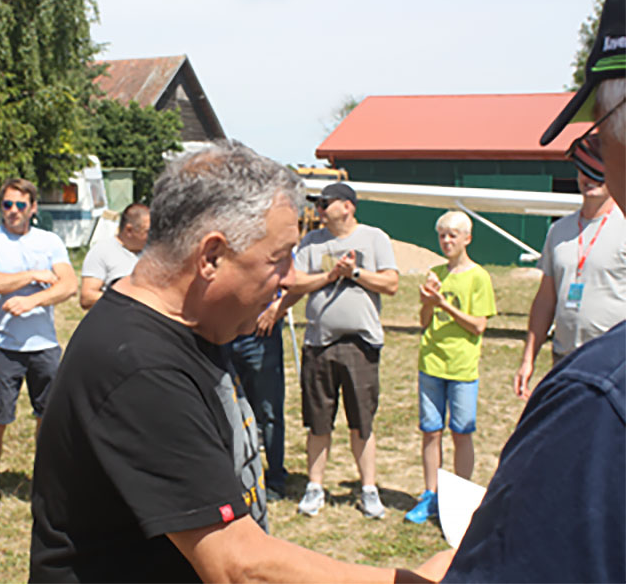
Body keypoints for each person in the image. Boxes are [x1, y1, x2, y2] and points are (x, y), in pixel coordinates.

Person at [29, 142, 451, 582]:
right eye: (279, 258)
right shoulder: (140, 368)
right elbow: (239, 567)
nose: (291, 277)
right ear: (211, 256)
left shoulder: (195, 327)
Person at [443, 0, 625, 581]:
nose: (595, 163)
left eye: (598, 131)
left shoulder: (597, 407)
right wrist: (530, 353)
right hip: (568, 353)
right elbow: (547, 293)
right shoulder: (560, 233)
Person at [277, 181, 399, 519]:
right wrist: (330, 276)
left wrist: (355, 273)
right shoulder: (311, 242)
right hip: (319, 344)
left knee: (362, 422)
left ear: (348, 206)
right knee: (318, 423)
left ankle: (369, 489)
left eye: (325, 203)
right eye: (318, 203)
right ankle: (314, 487)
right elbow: (294, 282)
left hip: (361, 344)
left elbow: (391, 283)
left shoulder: (375, 238)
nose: (319, 209)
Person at [0, 178, 76, 527]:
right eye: (7, 205)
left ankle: (47, 487)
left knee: (49, 419)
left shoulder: (50, 241)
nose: (13, 211)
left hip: (44, 346)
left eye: (20, 205)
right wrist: (32, 274)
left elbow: (69, 285)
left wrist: (33, 300)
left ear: (33, 208)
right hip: (4, 347)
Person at [512, 133, 625, 399]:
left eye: (600, 172)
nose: (590, 179)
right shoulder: (558, 231)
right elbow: (545, 300)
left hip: (614, 362)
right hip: (565, 358)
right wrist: (528, 358)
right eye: (585, 170)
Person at [405, 211, 495, 524]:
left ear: (467, 239)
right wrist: (428, 303)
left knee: (461, 432)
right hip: (430, 363)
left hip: (462, 368)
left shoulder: (479, 277)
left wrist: (444, 304)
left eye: (453, 235)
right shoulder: (435, 273)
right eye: (442, 235)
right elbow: (424, 322)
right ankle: (430, 495)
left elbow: (478, 326)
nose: (446, 241)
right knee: (431, 431)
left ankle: (462, 498)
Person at [225, 295, 288, 501]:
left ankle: (275, 479)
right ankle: (240, 476)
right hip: (226, 333)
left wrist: (277, 307)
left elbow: (291, 284)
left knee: (269, 411)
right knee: (231, 411)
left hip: (261, 335)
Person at [79, 203, 149, 310]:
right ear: (129, 230)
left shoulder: (155, 252)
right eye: (147, 231)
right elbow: (87, 297)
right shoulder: (102, 251)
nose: (152, 235)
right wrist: (128, 299)